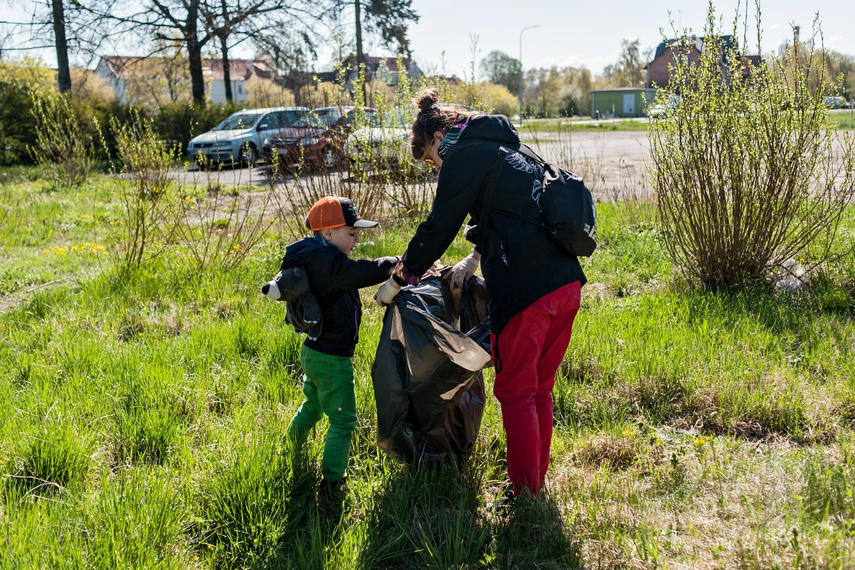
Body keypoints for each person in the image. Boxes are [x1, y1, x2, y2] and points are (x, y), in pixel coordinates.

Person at [373, 88, 586, 499]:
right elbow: (511, 214)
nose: (438, 170)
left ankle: (524, 493)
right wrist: (473, 258)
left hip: (526, 291)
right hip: (566, 284)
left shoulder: (463, 155)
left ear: (437, 140)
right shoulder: (508, 149)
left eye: (433, 162)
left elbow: (439, 225)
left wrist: (401, 277)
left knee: (516, 393)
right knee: (539, 390)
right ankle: (534, 484)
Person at [283, 196, 398, 500]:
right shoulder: (328, 263)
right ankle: (333, 483)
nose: (356, 239)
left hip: (315, 352)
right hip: (332, 357)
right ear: (329, 233)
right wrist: (394, 264)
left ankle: (288, 449)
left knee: (313, 407)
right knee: (343, 421)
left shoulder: (314, 257)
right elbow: (360, 273)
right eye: (352, 233)